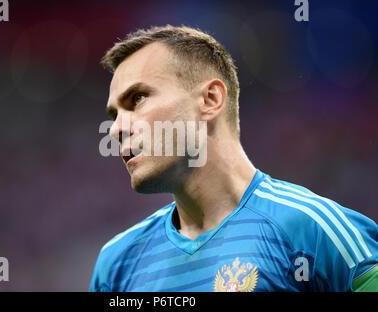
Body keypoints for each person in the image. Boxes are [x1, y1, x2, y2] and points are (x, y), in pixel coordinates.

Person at [89, 25, 377, 292]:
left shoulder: (314, 232)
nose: (115, 129)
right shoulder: (117, 265)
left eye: (137, 98)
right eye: (114, 115)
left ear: (210, 99)